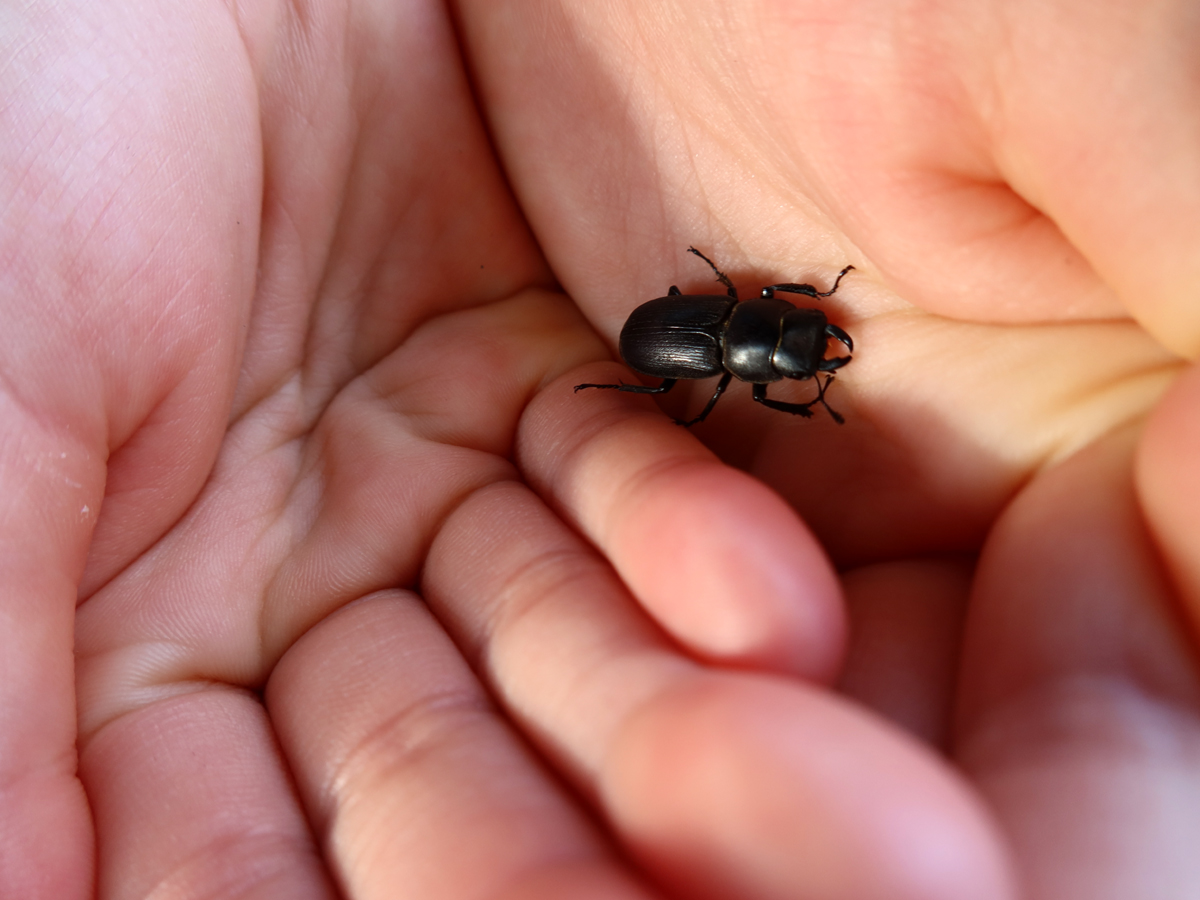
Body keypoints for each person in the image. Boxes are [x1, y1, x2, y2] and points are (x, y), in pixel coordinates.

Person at [2, 1, 1198, 897]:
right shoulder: (740, 351)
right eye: (804, 350)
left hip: (661, 338)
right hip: (650, 341)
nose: (812, 351)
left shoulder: (748, 333)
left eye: (805, 350)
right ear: (772, 337)